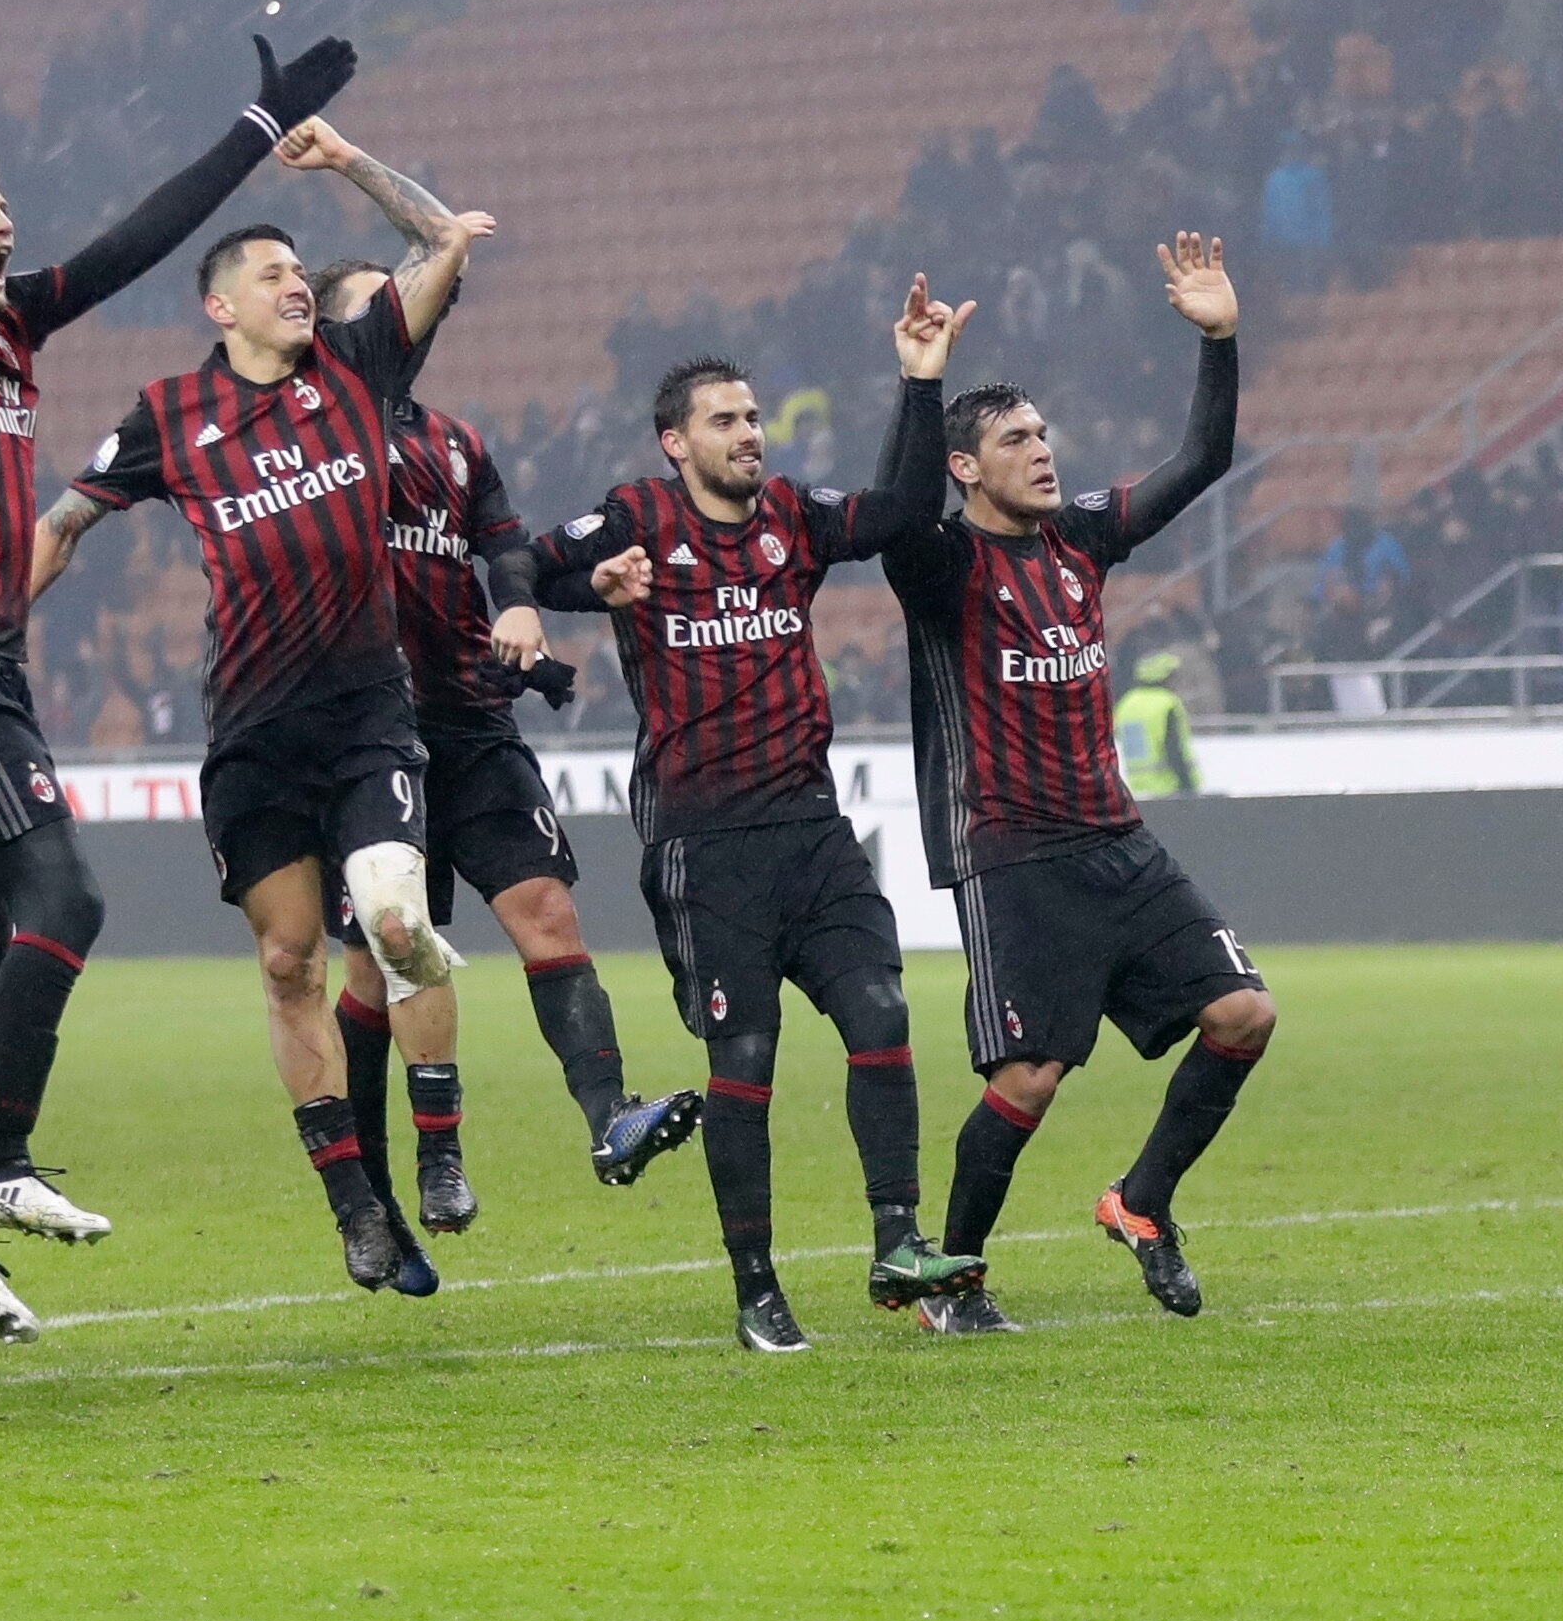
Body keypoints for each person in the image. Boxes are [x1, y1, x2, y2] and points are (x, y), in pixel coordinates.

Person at [0, 4, 359, 1333]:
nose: (2, 219)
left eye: (6, 203)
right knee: (64, 903)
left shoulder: (12, 328)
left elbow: (140, 239)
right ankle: (0, 1163)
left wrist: (255, 127)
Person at [31, 201, 492, 1293]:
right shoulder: (169, 411)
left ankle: (439, 1146)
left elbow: (444, 242)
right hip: (251, 730)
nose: (298, 283)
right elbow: (61, 524)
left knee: (392, 911)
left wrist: (345, 165)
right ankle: (354, 1209)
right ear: (219, 304)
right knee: (288, 960)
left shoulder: (358, 364)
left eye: (301, 268)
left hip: (368, 711)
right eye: (273, 271)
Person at [286, 123, 700, 1269]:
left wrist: (533, 604)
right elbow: (433, 238)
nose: (413, 307)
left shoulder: (456, 445)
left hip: (470, 722)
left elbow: (507, 547)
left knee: (549, 917)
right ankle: (391, 1174)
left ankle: (608, 1115)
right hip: (368, 737)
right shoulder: (311, 437)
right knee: (376, 960)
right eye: (383, 300)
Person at [529, 294, 970, 1352]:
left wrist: (919, 382)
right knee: (749, 1060)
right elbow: (526, 564)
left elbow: (903, 511)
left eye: (754, 417)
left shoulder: (793, 516)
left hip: (814, 829)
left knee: (880, 1012)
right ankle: (755, 1285)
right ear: (676, 442)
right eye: (725, 421)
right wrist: (588, 584)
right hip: (704, 842)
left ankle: (898, 1239)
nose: (749, 435)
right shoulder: (636, 516)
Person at [881, 237, 1257, 1333]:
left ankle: (1141, 1202)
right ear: (966, 466)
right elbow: (897, 510)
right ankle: (950, 1283)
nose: (1042, 451)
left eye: (1043, 433)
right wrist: (922, 387)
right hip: (1014, 855)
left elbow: (1201, 461)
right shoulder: (942, 565)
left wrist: (1219, 339)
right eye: (1014, 439)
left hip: (1119, 840)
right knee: (1031, 1078)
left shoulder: (1081, 537)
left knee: (1243, 1012)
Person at [1113, 647, 1201, 798]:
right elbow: (1174, 747)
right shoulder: (1166, 703)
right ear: (1163, 675)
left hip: (1136, 790)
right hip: (1171, 789)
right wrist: (1188, 786)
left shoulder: (1125, 704)